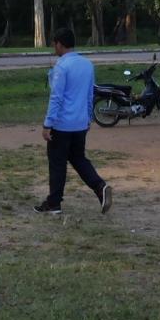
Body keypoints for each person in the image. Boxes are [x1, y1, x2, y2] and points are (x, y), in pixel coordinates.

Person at [34, 27, 112, 216]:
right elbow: (90, 94)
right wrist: (88, 117)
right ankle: (99, 186)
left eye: (54, 44)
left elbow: (56, 98)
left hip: (62, 124)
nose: (54, 48)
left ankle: (54, 203)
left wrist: (48, 124)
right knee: (78, 158)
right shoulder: (87, 65)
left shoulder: (62, 66)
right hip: (80, 123)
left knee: (57, 162)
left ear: (59, 44)